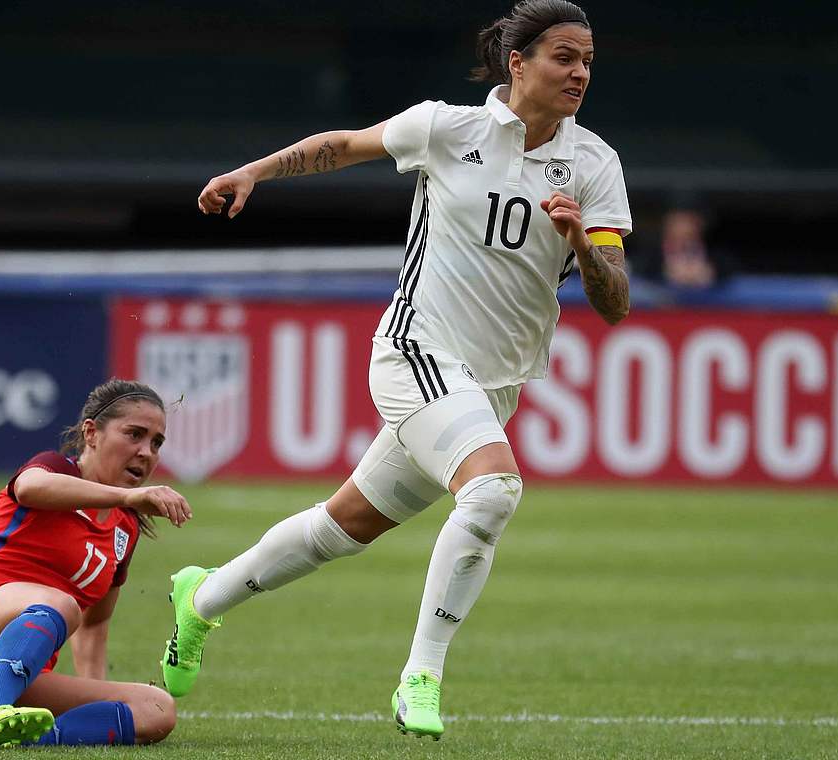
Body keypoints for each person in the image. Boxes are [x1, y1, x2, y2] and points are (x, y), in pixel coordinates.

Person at [163, 0, 631, 740]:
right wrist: (253, 170)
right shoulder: (448, 127)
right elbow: (344, 144)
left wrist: (580, 241)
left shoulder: (596, 164)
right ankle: (422, 674)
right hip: (417, 350)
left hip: (492, 384)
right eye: (565, 57)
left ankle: (200, 601)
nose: (580, 73)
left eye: (588, 62)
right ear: (519, 63)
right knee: (493, 491)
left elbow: (615, 301)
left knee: (340, 527)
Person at [0, 379, 192, 749]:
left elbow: (95, 626)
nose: (146, 451)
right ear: (91, 433)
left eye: (156, 442)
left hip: (15, 668)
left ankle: (11, 738)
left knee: (157, 709)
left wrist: (100, 692)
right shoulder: (56, 469)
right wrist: (130, 495)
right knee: (61, 603)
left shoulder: (125, 528)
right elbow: (29, 487)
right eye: (134, 434)